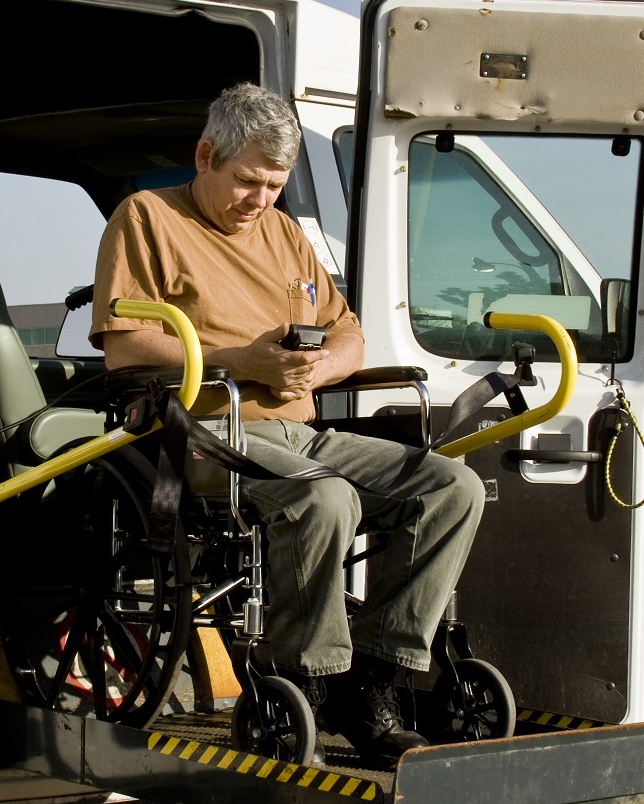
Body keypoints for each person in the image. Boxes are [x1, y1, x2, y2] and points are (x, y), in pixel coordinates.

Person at [90, 82, 486, 764]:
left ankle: (375, 675)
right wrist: (242, 361)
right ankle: (311, 677)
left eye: (274, 185)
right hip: (209, 433)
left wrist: (319, 368)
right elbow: (126, 347)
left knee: (453, 488)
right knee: (323, 494)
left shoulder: (285, 234)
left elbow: (350, 336)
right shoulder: (147, 218)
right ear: (205, 154)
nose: (260, 200)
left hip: (298, 430)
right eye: (247, 182)